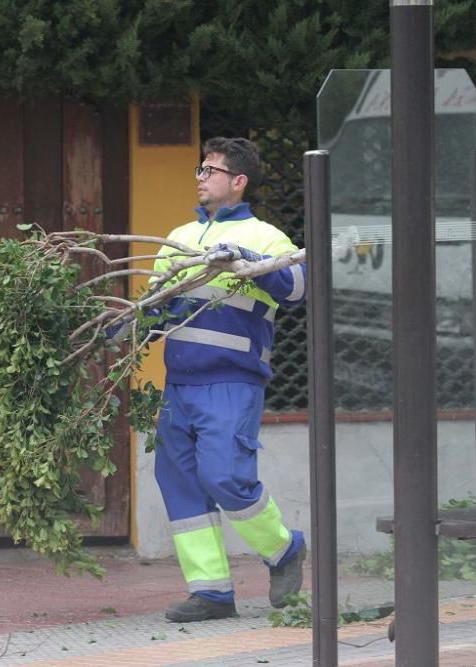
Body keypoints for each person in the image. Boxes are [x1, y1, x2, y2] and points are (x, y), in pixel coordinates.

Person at [151, 136, 307, 623]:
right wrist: (129, 324)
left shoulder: (267, 237)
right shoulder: (177, 238)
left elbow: (297, 290)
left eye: (209, 170)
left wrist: (243, 258)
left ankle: (283, 550)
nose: (200, 177)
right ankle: (211, 593)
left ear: (237, 181)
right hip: (180, 385)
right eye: (199, 169)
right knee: (178, 482)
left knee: (224, 477)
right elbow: (159, 309)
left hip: (232, 383)